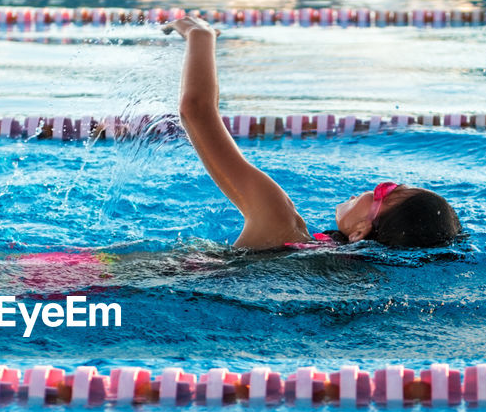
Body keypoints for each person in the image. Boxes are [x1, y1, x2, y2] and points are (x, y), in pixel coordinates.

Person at [163, 14, 462, 252]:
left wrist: (199, 34)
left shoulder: (279, 221)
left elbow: (196, 109)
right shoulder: (344, 274)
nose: (374, 188)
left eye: (386, 191)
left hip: (126, 280)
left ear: (360, 232)